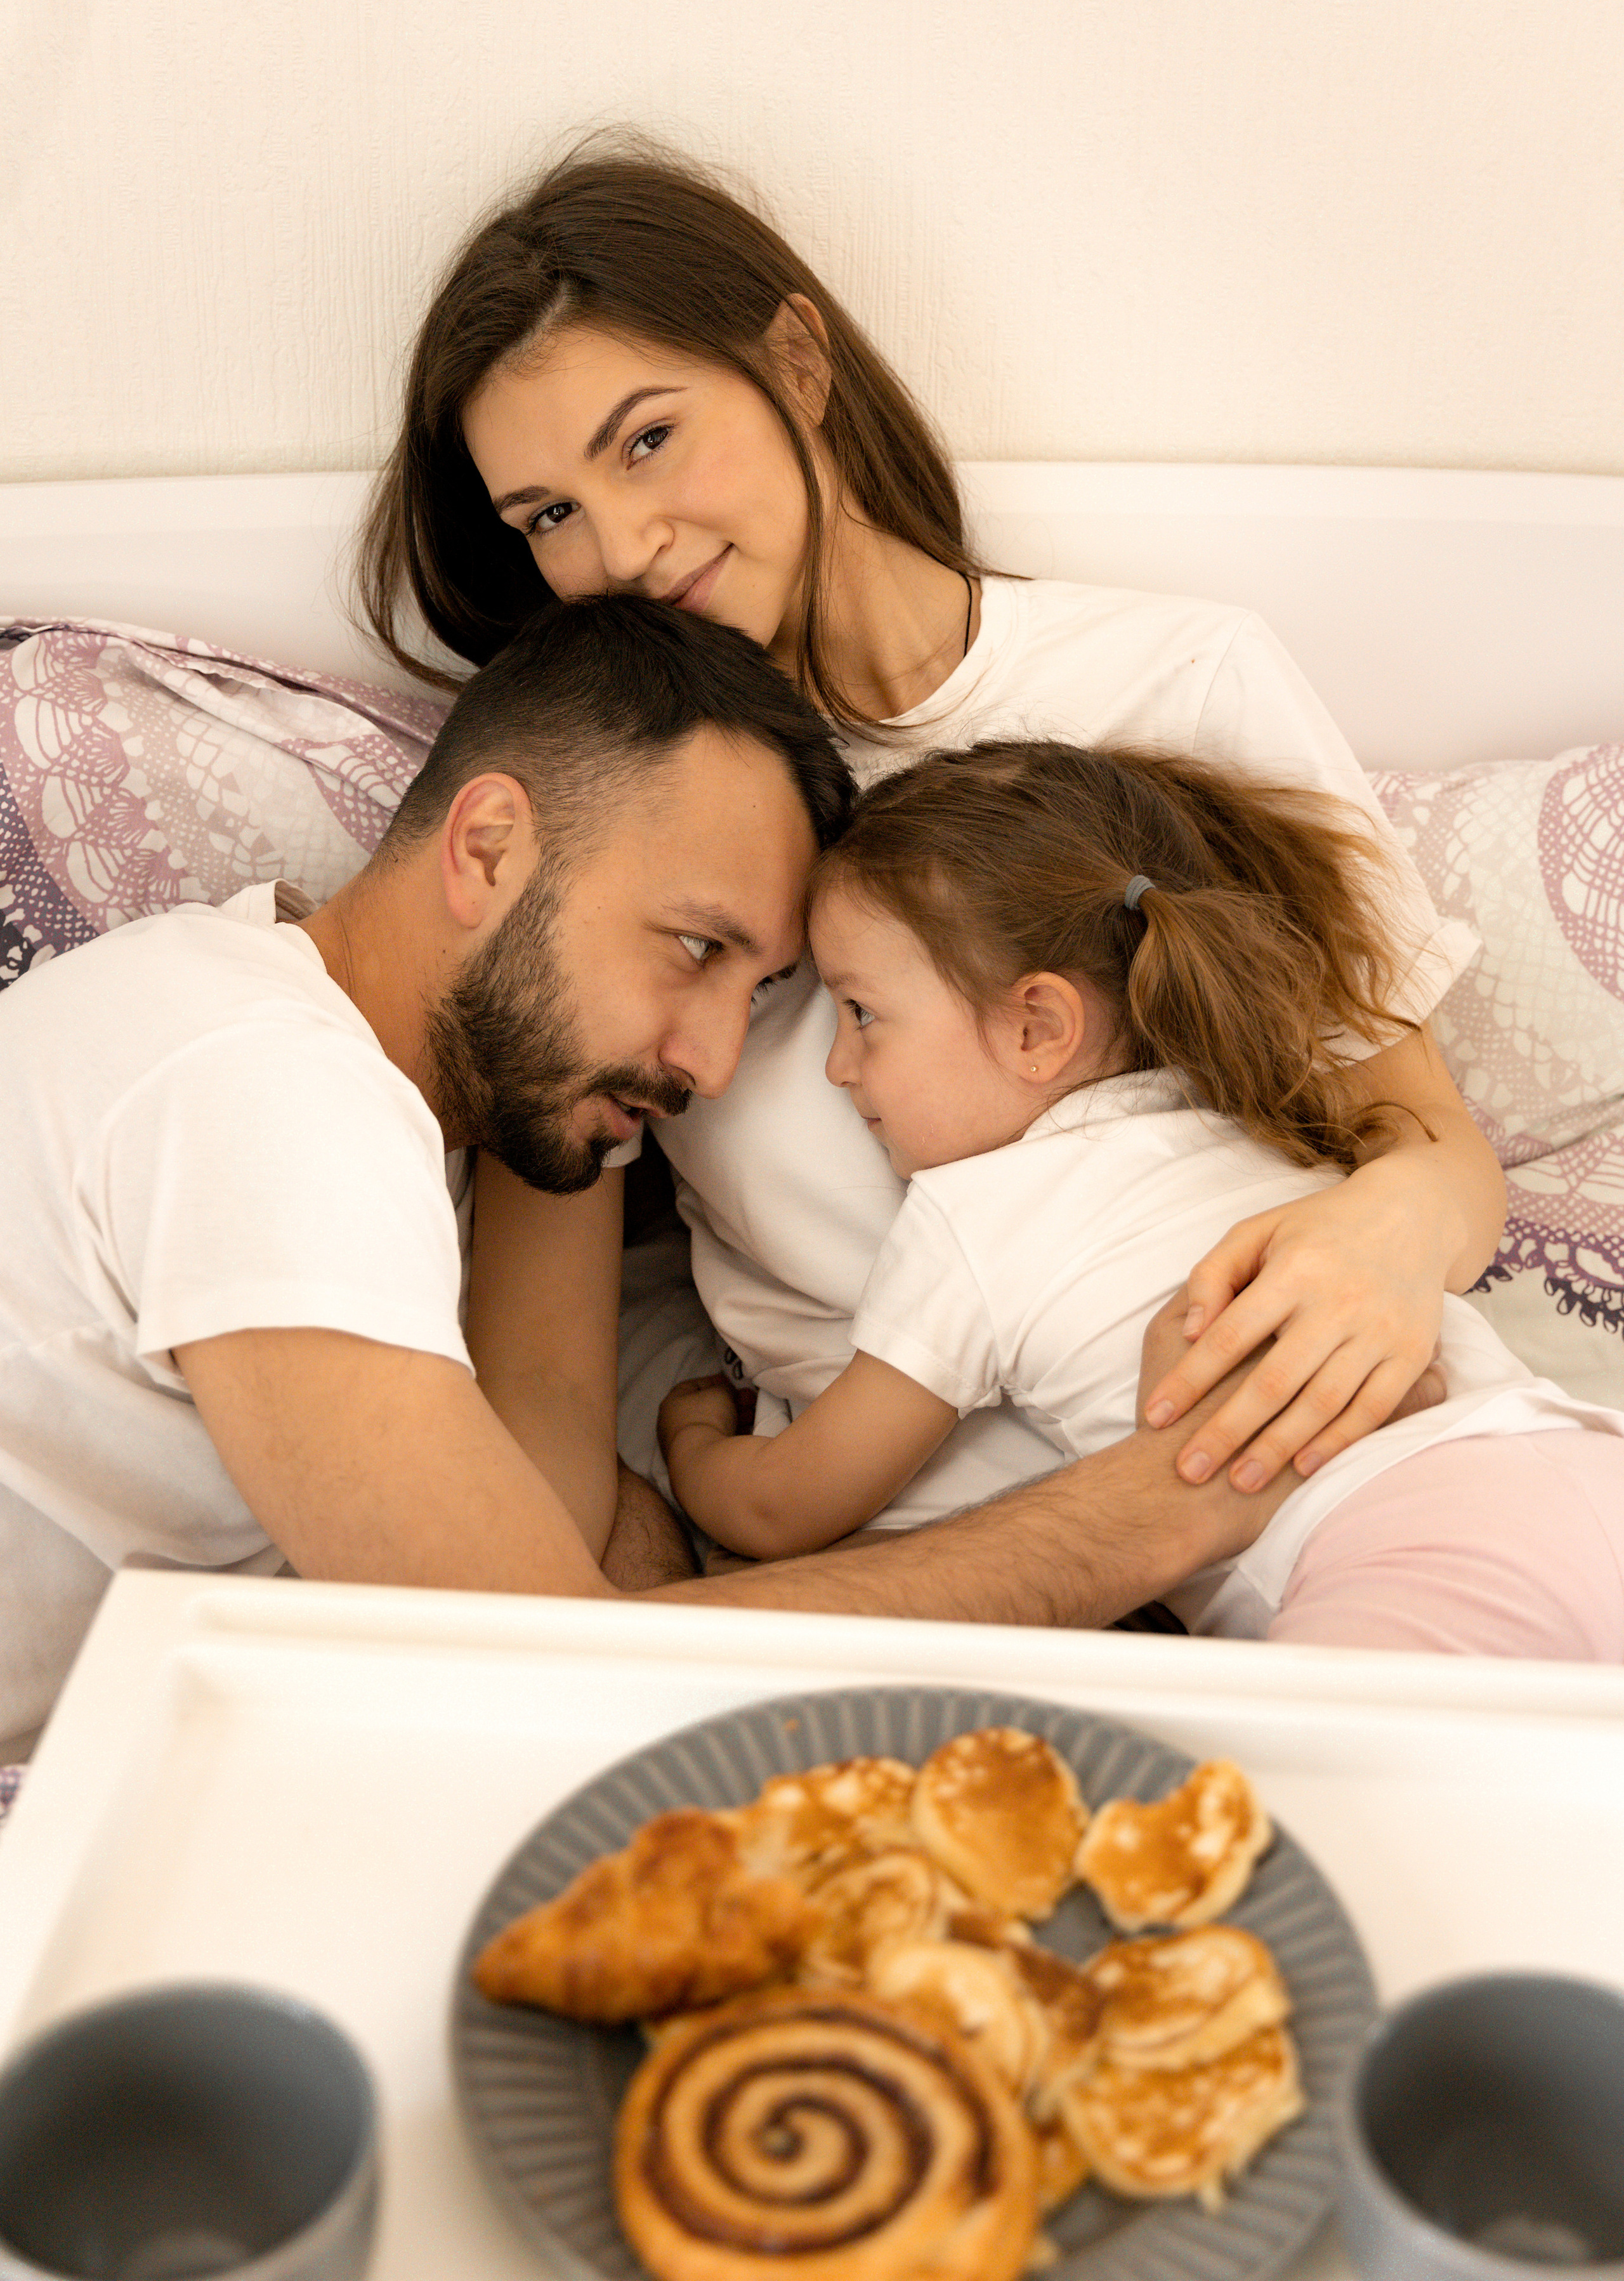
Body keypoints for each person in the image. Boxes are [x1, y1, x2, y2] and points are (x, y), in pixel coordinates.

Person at [355, 140, 1505, 1545]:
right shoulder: (616, 807)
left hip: (1297, 1502)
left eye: (647, 440)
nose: (622, 550)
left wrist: (1380, 1240)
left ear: (794, 361)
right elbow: (541, 1365)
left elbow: (1431, 1150)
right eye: (550, 517)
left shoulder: (1181, 683)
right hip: (898, 1576)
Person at [0, 596, 1291, 1765]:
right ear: (489, 846)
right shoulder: (255, 1079)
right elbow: (526, 1662)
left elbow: (549, 1483)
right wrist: (1138, 1518)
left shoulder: (422, 1085)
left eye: (761, 990)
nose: (715, 1064)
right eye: (692, 946)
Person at [658, 742, 1624, 1657]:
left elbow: (791, 1505)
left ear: (1039, 1024)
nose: (837, 1067)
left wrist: (693, 1446)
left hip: (1396, 1542)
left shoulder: (976, 1215)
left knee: (1322, 1816)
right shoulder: (1254, 1119)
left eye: (863, 1014)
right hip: (1569, 1453)